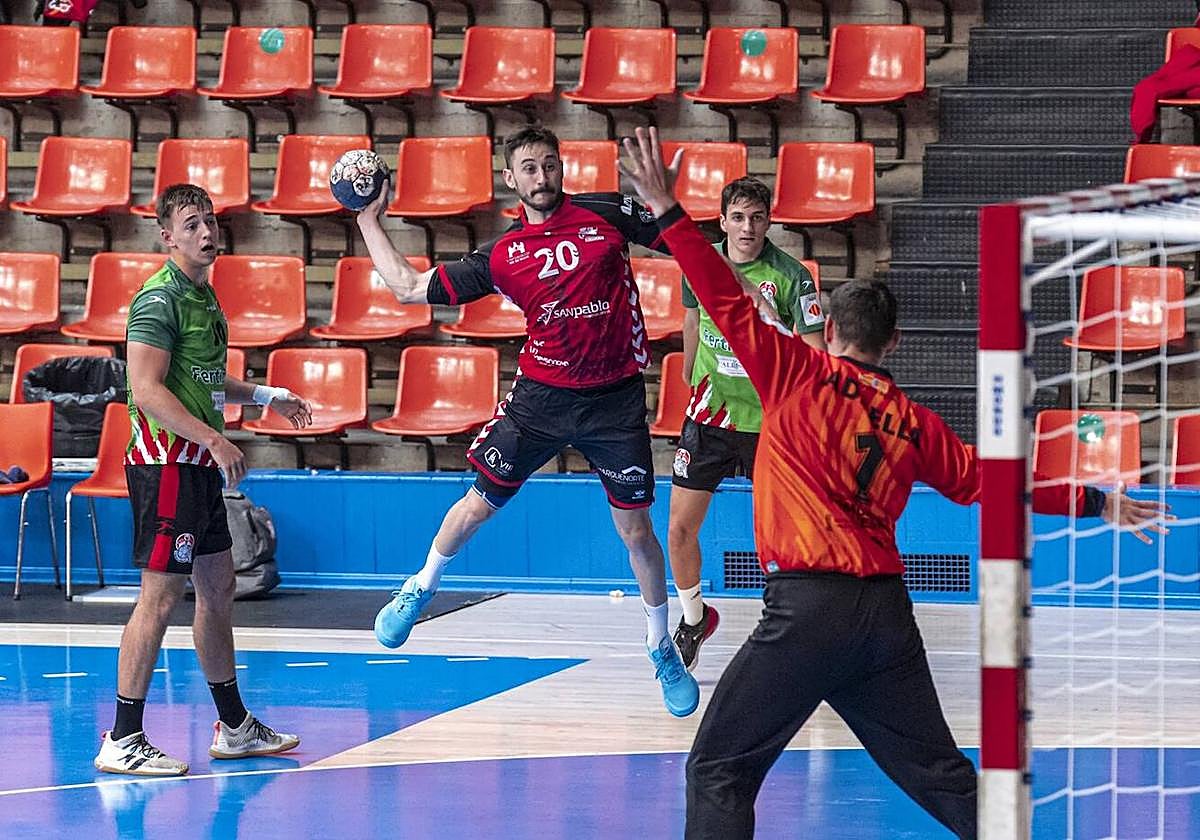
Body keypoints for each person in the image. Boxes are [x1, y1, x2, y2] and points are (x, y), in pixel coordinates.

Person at [616, 127, 1171, 839]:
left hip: (807, 610)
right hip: (884, 619)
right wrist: (1097, 499)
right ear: (894, 343)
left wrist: (666, 208)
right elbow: (999, 484)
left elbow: (721, 294)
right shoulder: (916, 423)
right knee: (944, 778)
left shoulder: (795, 372)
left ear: (831, 332)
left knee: (718, 771)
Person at [356, 126, 701, 717]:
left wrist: (669, 204)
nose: (542, 177)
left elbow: (689, 247)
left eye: (550, 165)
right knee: (477, 505)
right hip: (541, 399)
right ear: (510, 178)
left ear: (562, 167)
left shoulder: (608, 215)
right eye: (529, 168)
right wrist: (368, 220)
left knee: (636, 532)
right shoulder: (502, 254)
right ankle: (419, 588)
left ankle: (659, 645)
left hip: (614, 401)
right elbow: (409, 288)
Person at [94, 184, 314, 776]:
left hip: (197, 467)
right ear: (168, 236)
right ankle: (123, 736)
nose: (206, 232)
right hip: (166, 463)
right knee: (160, 597)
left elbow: (207, 380)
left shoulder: (204, 297)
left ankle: (235, 727)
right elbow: (146, 390)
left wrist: (266, 394)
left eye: (210, 221)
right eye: (192, 224)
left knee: (218, 587)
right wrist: (215, 440)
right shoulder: (158, 300)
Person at [669, 176, 826, 670]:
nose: (747, 228)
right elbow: (691, 321)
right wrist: (689, 377)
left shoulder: (792, 276)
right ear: (722, 221)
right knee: (679, 528)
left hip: (769, 423)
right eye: (737, 217)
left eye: (757, 218)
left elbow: (815, 350)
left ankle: (799, 627)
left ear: (769, 221)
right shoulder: (700, 265)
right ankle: (694, 618)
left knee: (786, 538)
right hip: (709, 415)